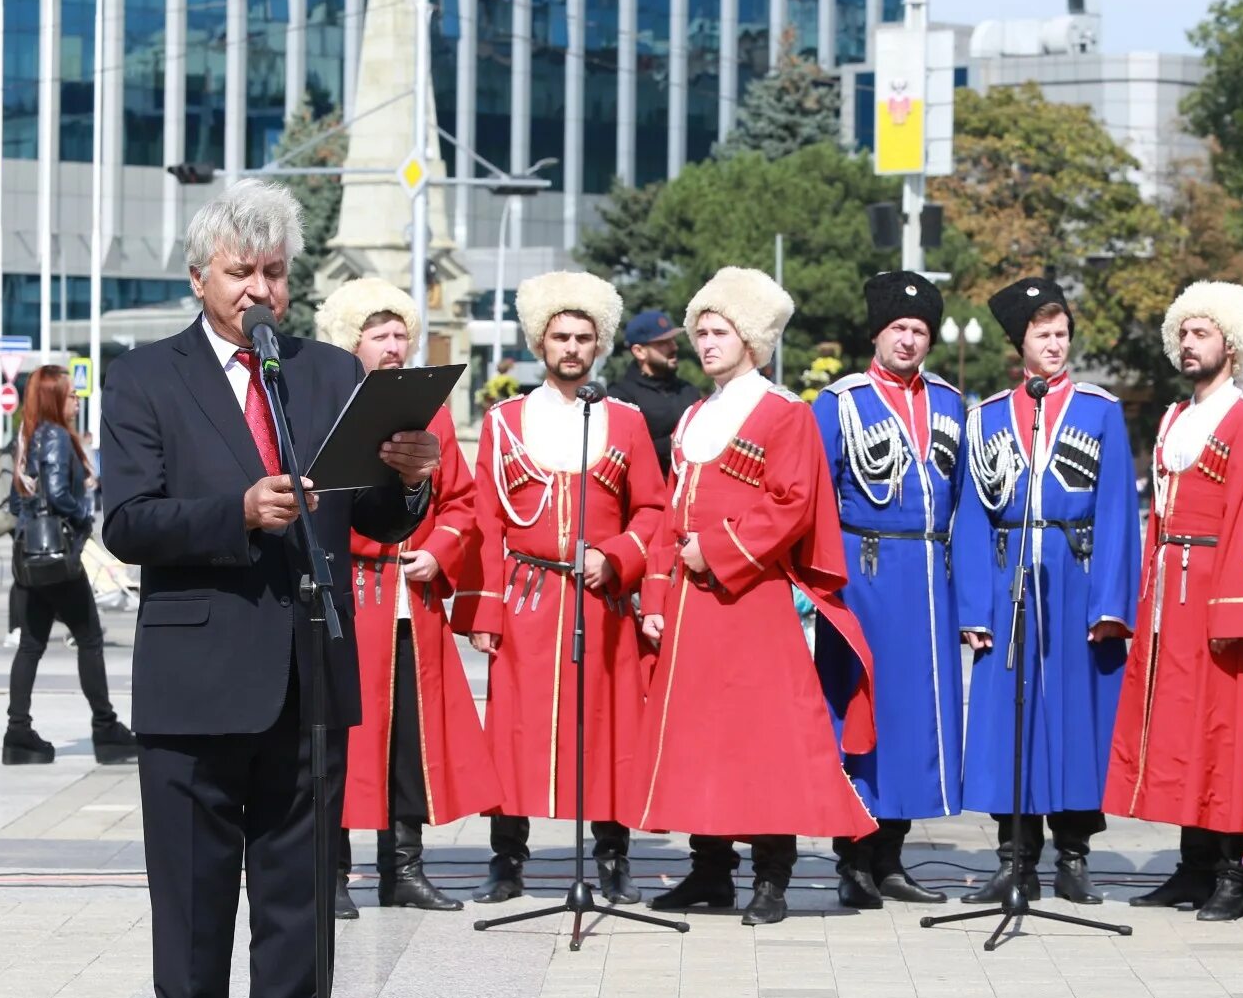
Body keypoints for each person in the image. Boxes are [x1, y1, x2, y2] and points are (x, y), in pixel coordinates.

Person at [99, 181, 443, 998]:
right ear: (201, 278)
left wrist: (410, 478)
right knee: (197, 915)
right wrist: (235, 512)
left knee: (297, 913)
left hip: (308, 679)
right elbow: (126, 522)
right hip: (194, 683)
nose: (261, 290)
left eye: (276, 273)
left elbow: (377, 522)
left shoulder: (329, 374)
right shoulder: (144, 380)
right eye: (242, 272)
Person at [634, 267, 878, 924]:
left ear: (751, 338)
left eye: (719, 332)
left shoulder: (784, 412)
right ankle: (710, 869)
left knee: (765, 739)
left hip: (752, 600)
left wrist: (712, 551)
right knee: (698, 738)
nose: (706, 344)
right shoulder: (694, 414)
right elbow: (665, 512)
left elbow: (791, 504)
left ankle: (774, 876)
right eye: (701, 332)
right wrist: (655, 596)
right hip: (688, 604)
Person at [468, 272, 667, 906]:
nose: (572, 347)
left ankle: (613, 856)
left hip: (600, 602)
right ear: (540, 341)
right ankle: (507, 858)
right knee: (512, 729)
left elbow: (654, 513)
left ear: (601, 344)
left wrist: (617, 559)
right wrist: (486, 612)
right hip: (527, 598)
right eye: (561, 336)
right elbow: (486, 521)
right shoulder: (503, 422)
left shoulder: (627, 422)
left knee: (609, 728)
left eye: (584, 337)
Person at [314, 278, 499, 919]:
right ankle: (331, 874)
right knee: (344, 739)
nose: (394, 347)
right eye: (380, 335)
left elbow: (462, 501)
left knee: (408, 745)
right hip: (353, 598)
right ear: (352, 341)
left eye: (401, 335)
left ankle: (404, 868)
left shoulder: (434, 412)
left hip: (412, 605)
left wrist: (439, 550)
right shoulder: (328, 404)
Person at [951, 277, 1139, 904]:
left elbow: (1116, 510)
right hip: (1010, 582)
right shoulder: (986, 419)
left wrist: (1111, 602)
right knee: (1011, 719)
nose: (1055, 345)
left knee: (1075, 720)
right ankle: (1013, 858)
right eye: (1043, 334)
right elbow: (973, 519)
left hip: (1077, 575)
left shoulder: (1100, 409)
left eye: (1062, 334)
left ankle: (1075, 857)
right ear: (1020, 342)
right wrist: (974, 607)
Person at [1105, 282, 1243, 920]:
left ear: (1229, 344)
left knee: (1224, 732)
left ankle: (1234, 874)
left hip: (1216, 587)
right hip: (1170, 589)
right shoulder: (1175, 418)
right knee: (1179, 730)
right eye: (1183, 333)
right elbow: (1158, 518)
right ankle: (1193, 866)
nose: (1187, 344)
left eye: (1200, 334)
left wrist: (1234, 606)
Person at [812, 271, 967, 908]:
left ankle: (894, 853)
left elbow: (966, 499)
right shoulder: (838, 402)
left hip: (930, 575)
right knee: (859, 712)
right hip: (864, 574)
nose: (908, 340)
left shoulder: (953, 403)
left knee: (915, 718)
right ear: (876, 333)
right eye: (898, 329)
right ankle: (853, 857)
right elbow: (816, 496)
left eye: (920, 330)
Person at [2, 364, 139, 767]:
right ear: (54, 398)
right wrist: (82, 517)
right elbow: (59, 494)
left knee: (30, 645)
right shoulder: (58, 438)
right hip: (59, 560)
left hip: (31, 558)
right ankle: (106, 729)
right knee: (90, 639)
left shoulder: (25, 439)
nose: (77, 401)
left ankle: (18, 732)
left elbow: (15, 503)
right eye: (71, 394)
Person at [609, 308, 704, 474]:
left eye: (673, 340)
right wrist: (676, 442)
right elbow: (623, 455)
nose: (673, 347)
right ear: (639, 351)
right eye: (663, 343)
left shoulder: (688, 391)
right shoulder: (620, 397)